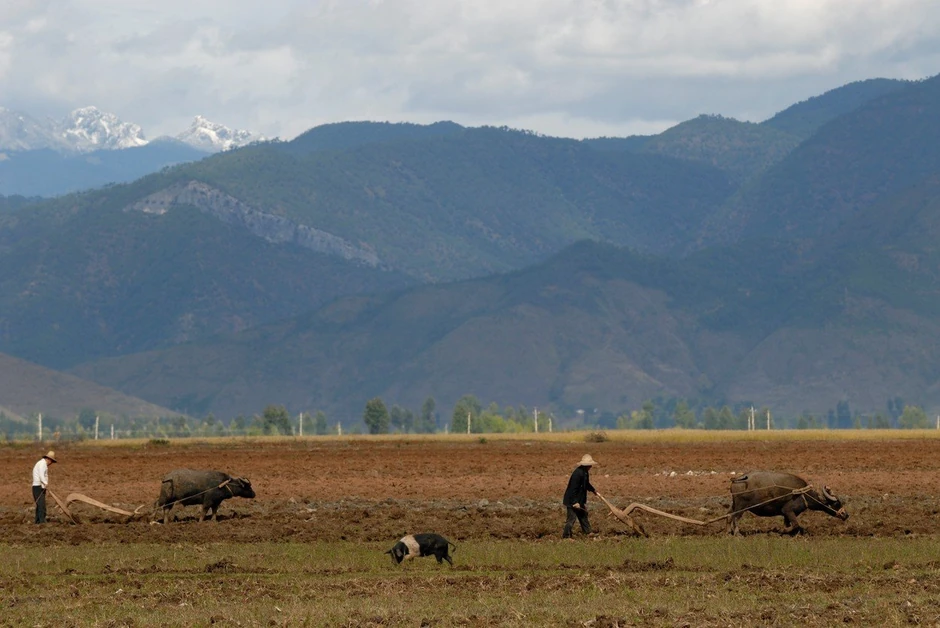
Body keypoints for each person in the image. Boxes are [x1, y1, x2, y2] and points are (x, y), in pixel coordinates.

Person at [562, 453, 597, 538]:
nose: (591, 467)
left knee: (583, 515)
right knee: (571, 519)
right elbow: (573, 489)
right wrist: (575, 502)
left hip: (579, 500)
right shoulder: (577, 473)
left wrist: (593, 490)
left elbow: (586, 484)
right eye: (589, 465)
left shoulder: (585, 472)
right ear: (586, 465)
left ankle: (588, 533)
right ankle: (566, 537)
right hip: (572, 501)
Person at [31, 451, 56, 524]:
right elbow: (42, 475)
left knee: (39, 505)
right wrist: (45, 483)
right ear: (49, 459)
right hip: (37, 487)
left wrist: (45, 485)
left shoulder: (42, 463)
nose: (51, 464)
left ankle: (37, 521)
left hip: (39, 487)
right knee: (42, 506)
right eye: (51, 461)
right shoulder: (42, 464)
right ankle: (42, 522)